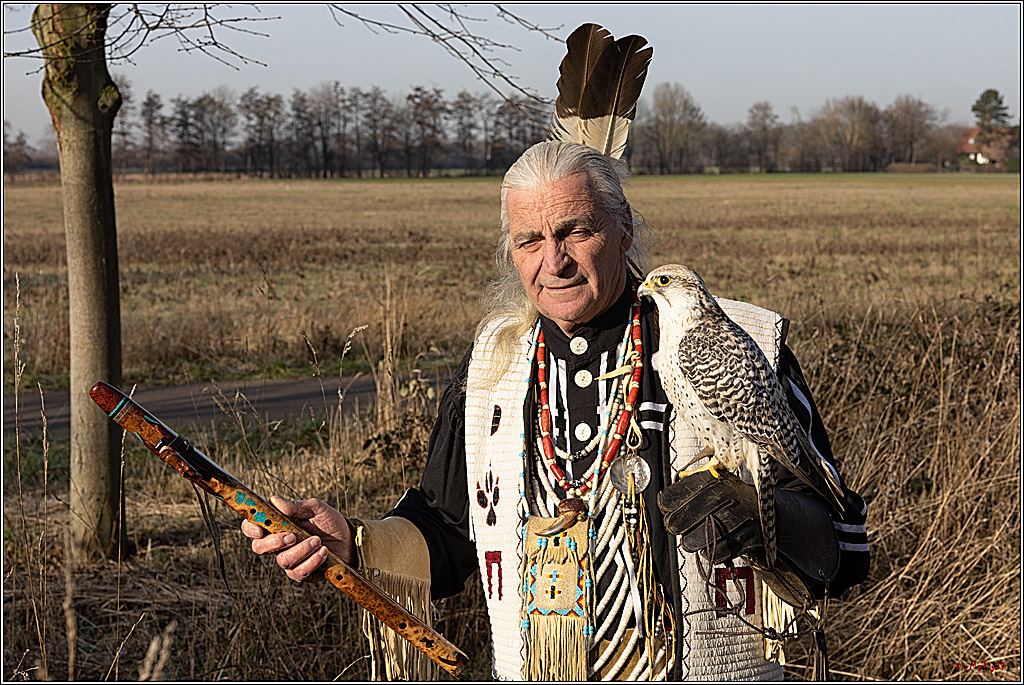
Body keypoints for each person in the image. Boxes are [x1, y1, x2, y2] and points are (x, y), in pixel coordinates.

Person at [243, 141, 869, 681]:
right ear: (511, 252)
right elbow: (450, 531)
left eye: (576, 231)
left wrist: (761, 516)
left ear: (624, 231)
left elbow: (843, 547)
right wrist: (353, 542)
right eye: (530, 240)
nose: (555, 261)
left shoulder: (739, 344)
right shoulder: (491, 368)